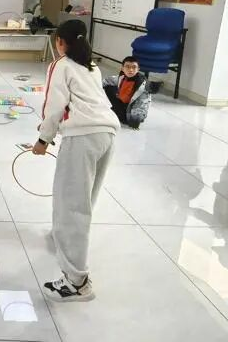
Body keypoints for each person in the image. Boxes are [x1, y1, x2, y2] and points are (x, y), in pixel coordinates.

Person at [32, 19, 120, 302]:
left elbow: (54, 106)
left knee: (71, 205)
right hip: (107, 133)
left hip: (83, 137)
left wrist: (43, 139)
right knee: (84, 200)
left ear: (60, 41)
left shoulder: (61, 64)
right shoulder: (91, 66)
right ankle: (63, 238)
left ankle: (77, 282)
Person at [103, 56, 151, 130]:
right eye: (127, 67)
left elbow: (142, 104)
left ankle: (115, 114)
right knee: (108, 87)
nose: (131, 70)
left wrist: (134, 121)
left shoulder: (142, 85)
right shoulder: (122, 77)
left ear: (138, 69)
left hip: (129, 115)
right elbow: (108, 80)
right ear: (122, 68)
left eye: (134, 67)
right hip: (124, 104)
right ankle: (113, 111)